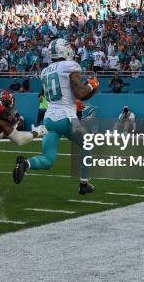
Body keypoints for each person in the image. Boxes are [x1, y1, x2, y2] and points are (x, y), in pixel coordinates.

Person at [13, 38, 99, 195]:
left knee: (48, 159)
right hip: (66, 117)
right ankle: (83, 183)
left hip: (49, 119)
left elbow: (75, 95)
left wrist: (90, 89)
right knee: (88, 145)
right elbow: (80, 93)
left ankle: (26, 163)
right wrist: (91, 85)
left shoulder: (45, 71)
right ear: (64, 50)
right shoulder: (70, 65)